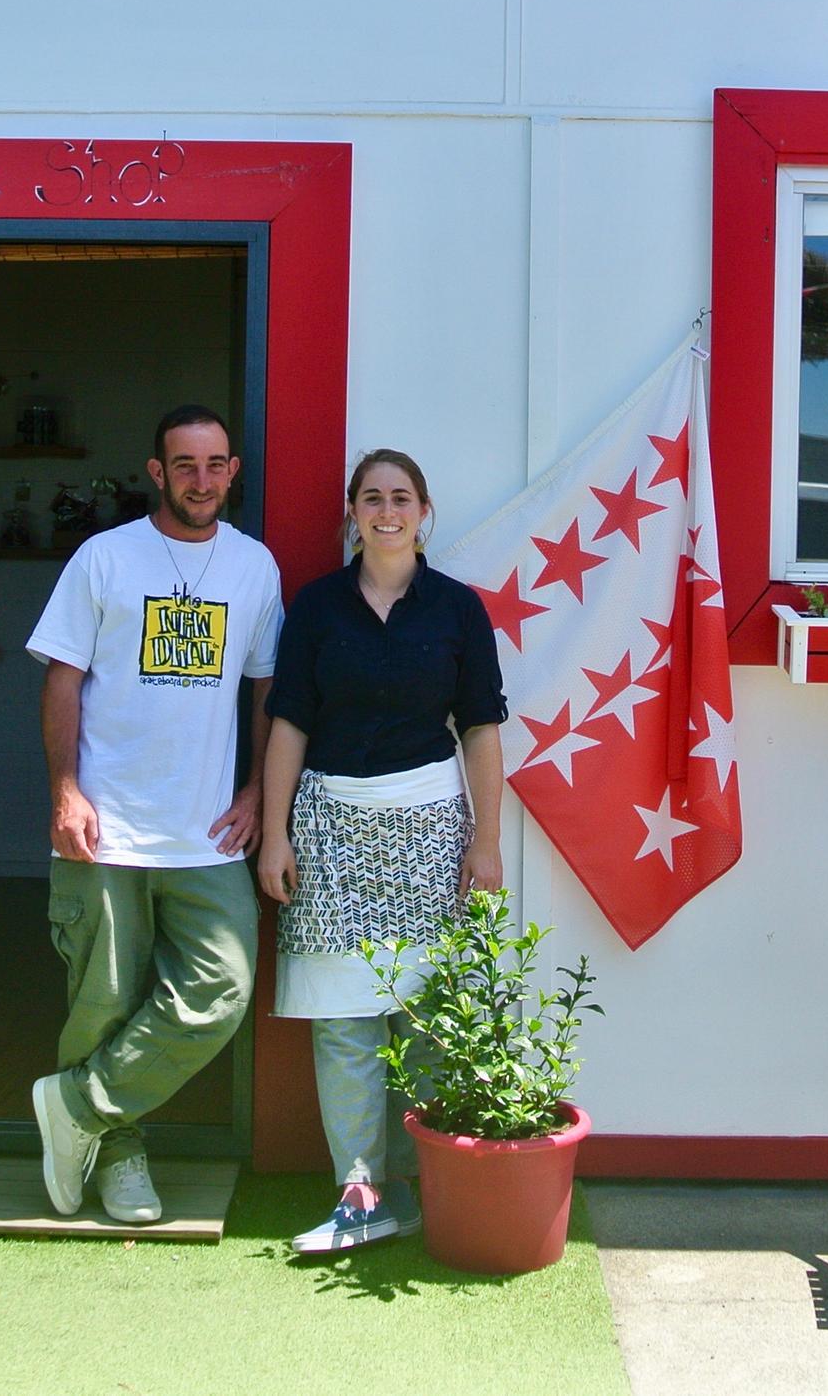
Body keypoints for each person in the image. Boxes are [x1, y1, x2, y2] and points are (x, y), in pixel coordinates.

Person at [26, 404, 282, 1223]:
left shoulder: (255, 568)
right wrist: (65, 790)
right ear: (157, 472)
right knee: (100, 1000)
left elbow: (267, 690)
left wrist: (255, 794)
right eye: (184, 465)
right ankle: (121, 1157)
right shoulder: (104, 558)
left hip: (207, 834)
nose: (200, 480)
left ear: (232, 472)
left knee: (221, 989)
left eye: (215, 465)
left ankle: (77, 1107)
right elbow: (61, 678)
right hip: (107, 827)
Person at [257, 448, 507, 1254]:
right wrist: (274, 833)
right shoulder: (318, 605)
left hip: (432, 826)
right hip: (328, 825)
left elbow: (481, 729)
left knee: (428, 1015)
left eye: (401, 498)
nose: (387, 511)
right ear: (353, 511)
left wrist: (487, 842)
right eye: (373, 498)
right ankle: (360, 1194)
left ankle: (433, 1187)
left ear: (424, 511)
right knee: (343, 1024)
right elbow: (288, 721)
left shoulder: (458, 609)